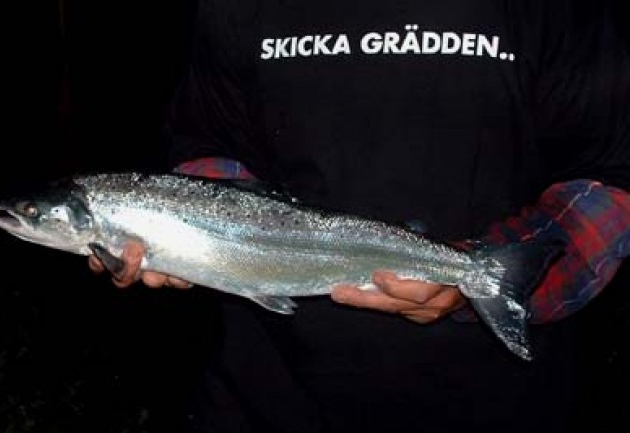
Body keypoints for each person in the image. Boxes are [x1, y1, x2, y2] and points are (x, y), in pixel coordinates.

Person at [89, 1, 629, 432]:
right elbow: (209, 140)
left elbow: (612, 176)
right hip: (268, 393)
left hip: (492, 400)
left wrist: (477, 274)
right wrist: (179, 233)